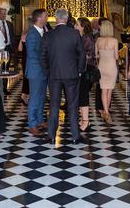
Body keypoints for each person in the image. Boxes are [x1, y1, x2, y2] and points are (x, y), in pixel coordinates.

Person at [41, 9, 86, 144]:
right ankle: (75, 136)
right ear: (66, 19)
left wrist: (47, 71)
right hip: (72, 74)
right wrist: (79, 71)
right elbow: (82, 54)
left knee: (54, 105)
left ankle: (51, 135)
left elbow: (42, 56)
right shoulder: (74, 34)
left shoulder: (48, 35)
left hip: (54, 75)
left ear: (55, 19)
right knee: (73, 105)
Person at [25, 9, 49, 137]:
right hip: (35, 71)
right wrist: (45, 63)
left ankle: (39, 120)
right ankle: (32, 124)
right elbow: (32, 53)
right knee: (34, 98)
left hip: (42, 70)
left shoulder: (43, 32)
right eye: (45, 16)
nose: (47, 18)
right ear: (39, 18)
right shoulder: (32, 34)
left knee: (41, 97)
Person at [95, 20, 119, 125]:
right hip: (111, 67)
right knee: (109, 91)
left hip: (101, 67)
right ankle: (106, 112)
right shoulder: (114, 41)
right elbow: (117, 57)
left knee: (103, 90)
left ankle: (105, 112)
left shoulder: (98, 40)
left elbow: (96, 55)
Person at [75, 17, 96, 132]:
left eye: (77, 24)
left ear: (82, 26)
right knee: (81, 94)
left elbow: (89, 55)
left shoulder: (86, 38)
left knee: (83, 95)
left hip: (86, 69)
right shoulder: (82, 37)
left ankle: (85, 121)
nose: (75, 26)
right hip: (84, 68)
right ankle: (84, 119)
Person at [18, 17, 33, 106]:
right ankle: (24, 96)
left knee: (26, 77)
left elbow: (20, 48)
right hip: (30, 58)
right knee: (29, 78)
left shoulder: (24, 34)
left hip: (24, 58)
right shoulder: (33, 34)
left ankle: (24, 95)